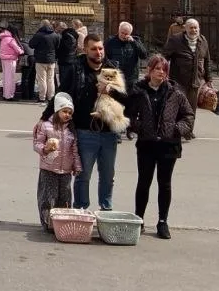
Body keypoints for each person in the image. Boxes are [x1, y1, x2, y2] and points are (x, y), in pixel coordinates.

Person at [51, 33, 128, 212]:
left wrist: (111, 91)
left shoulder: (112, 68)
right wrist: (45, 117)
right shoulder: (76, 69)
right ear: (85, 50)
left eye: (100, 48)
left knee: (108, 176)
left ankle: (106, 209)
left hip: (109, 132)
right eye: (93, 49)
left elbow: (127, 97)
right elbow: (62, 95)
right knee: (83, 175)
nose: (98, 52)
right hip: (85, 131)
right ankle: (81, 209)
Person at [125, 55, 194, 239]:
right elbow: (129, 114)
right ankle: (139, 219)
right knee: (144, 182)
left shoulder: (175, 92)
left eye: (164, 69)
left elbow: (188, 115)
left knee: (164, 184)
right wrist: (139, 127)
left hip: (168, 146)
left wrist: (176, 130)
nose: (161, 72)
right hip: (147, 144)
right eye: (157, 69)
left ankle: (163, 221)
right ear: (150, 70)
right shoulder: (139, 91)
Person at [33, 93, 81, 232]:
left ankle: (62, 224)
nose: (67, 115)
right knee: (48, 198)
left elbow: (75, 150)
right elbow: (37, 144)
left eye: (70, 113)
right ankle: (48, 223)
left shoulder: (71, 130)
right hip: (48, 169)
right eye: (64, 111)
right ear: (57, 111)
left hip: (65, 170)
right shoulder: (46, 126)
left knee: (64, 198)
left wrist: (77, 166)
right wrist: (45, 149)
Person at [162, 18, 212, 134]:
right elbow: (164, 57)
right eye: (191, 28)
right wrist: (162, 73)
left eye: (196, 28)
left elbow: (207, 61)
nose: (193, 30)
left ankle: (189, 130)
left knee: (191, 108)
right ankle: (178, 129)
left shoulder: (202, 40)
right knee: (179, 106)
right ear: (185, 28)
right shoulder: (176, 40)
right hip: (178, 80)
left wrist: (208, 79)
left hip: (195, 80)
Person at [105, 22, 148, 92]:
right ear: (118, 31)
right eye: (122, 33)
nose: (124, 35)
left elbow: (144, 55)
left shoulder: (135, 41)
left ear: (130, 33)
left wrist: (134, 42)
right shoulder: (110, 42)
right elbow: (105, 58)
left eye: (126, 34)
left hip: (131, 78)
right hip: (116, 77)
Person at [29, 20, 59, 103]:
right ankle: (51, 97)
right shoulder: (55, 35)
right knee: (50, 79)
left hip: (40, 60)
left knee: (42, 79)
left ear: (41, 25)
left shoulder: (39, 35)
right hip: (52, 60)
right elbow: (57, 46)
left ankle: (42, 97)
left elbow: (31, 45)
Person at [0, 24, 24, 101]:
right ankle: (9, 96)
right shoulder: (11, 40)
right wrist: (22, 51)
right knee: (10, 78)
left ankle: (5, 94)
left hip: (4, 59)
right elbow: (18, 50)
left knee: (5, 77)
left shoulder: (3, 38)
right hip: (11, 60)